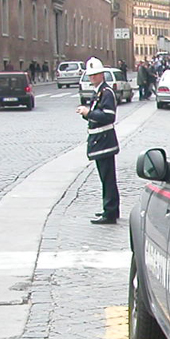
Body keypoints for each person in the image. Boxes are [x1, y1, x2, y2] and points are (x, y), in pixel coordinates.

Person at [75, 57, 120, 225]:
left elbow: (108, 116)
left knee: (108, 178)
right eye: (90, 75)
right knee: (106, 178)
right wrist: (86, 114)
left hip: (104, 141)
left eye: (95, 75)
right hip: (100, 141)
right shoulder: (98, 92)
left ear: (102, 75)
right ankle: (110, 209)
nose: (92, 78)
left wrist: (88, 113)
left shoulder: (106, 92)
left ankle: (110, 212)